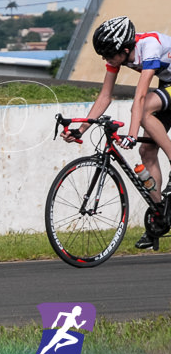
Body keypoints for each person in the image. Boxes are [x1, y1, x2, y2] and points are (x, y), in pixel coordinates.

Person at [63, 15, 171, 250]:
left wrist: (132, 133)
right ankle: (159, 217)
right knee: (146, 151)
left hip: (167, 84)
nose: (106, 59)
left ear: (124, 48)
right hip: (168, 83)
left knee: (144, 111)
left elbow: (140, 97)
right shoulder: (117, 55)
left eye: (108, 55)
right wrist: (81, 130)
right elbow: (104, 97)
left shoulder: (150, 47)